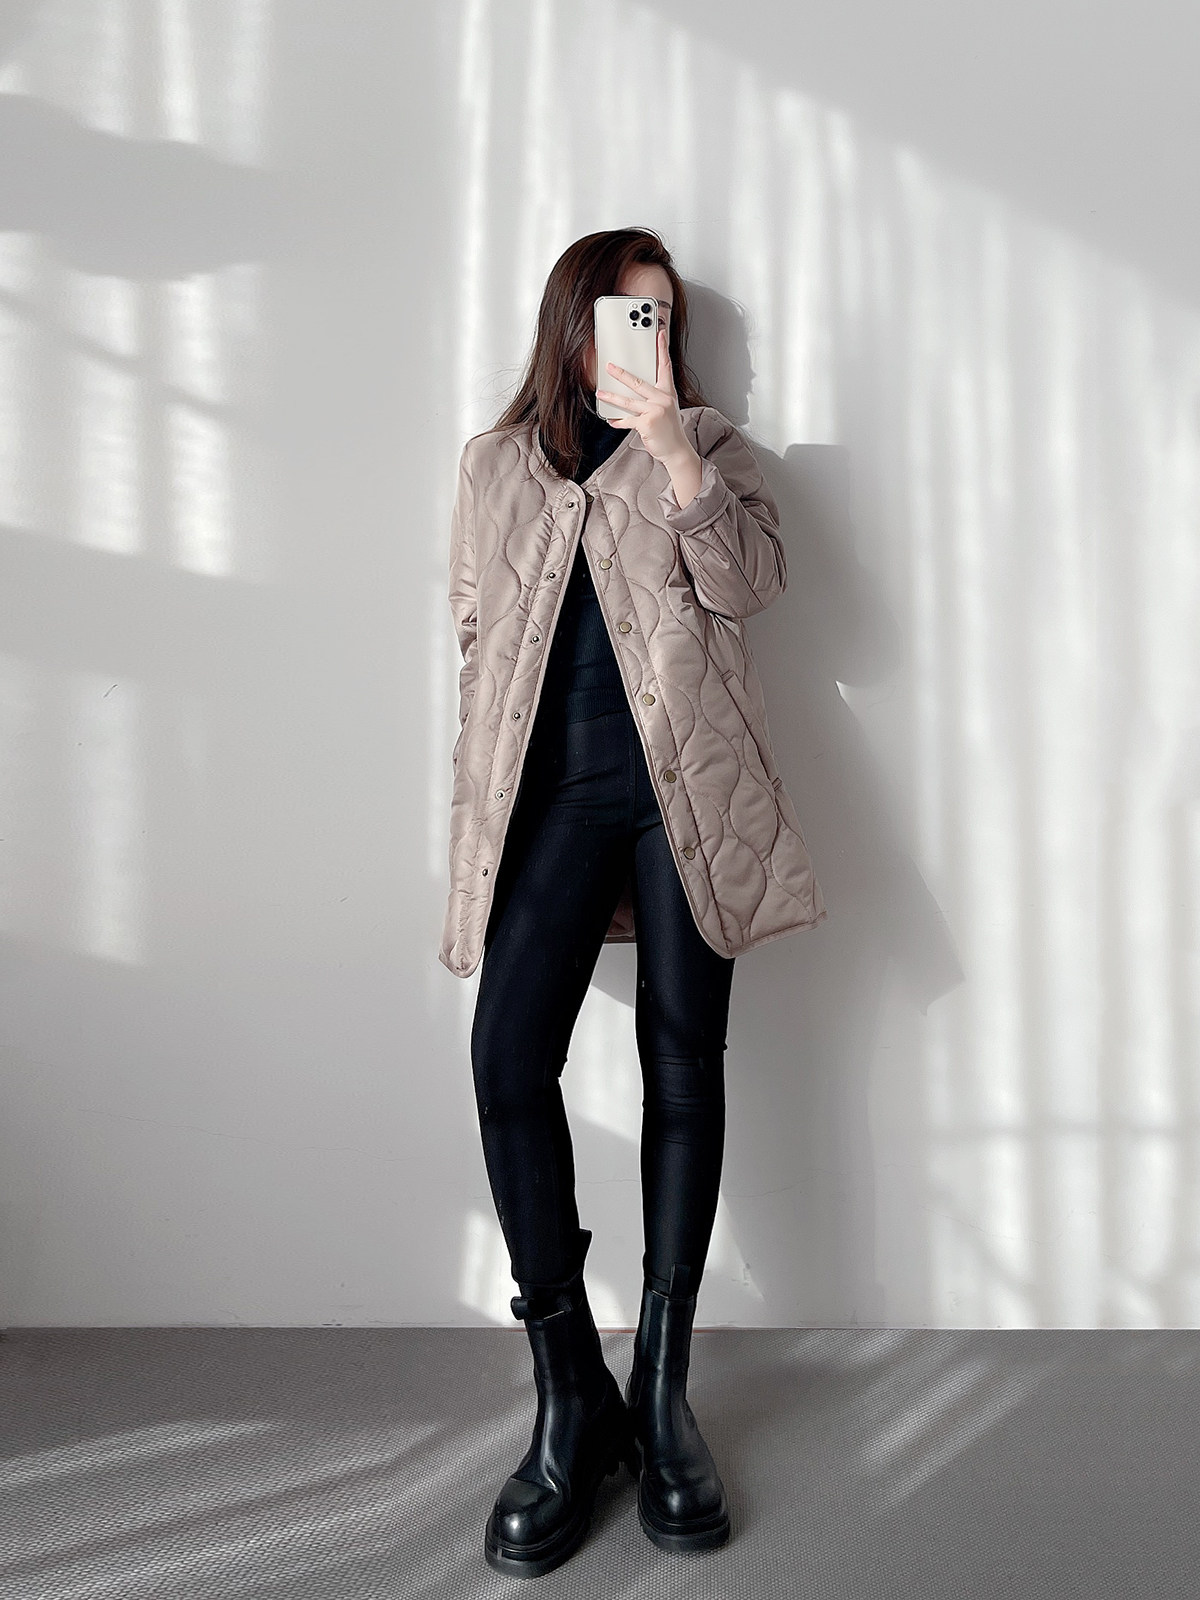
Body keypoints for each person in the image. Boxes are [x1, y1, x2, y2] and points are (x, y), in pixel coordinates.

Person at [441, 227, 826, 1577]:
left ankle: (663, 1395)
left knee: (682, 1067)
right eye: (624, 315)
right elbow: (477, 635)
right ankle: (571, 1397)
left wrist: (672, 456)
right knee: (507, 1064)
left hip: (683, 804)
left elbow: (751, 586)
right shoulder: (494, 465)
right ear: (573, 325)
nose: (644, 341)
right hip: (551, 805)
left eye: (662, 320)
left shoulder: (708, 450)